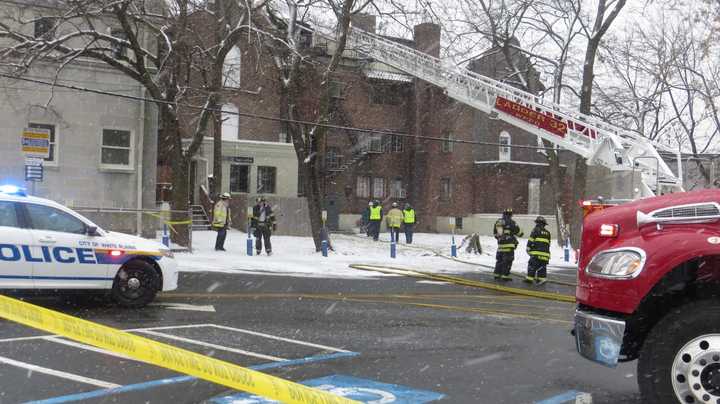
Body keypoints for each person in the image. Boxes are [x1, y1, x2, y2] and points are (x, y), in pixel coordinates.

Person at [493, 208, 523, 281]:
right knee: (508, 261)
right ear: (511, 215)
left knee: (499, 260)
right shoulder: (512, 222)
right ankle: (505, 276)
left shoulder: (498, 222)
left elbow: (495, 234)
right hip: (509, 245)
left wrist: (501, 238)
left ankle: (497, 274)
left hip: (500, 246)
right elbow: (519, 233)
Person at [525, 216, 551, 285]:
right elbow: (548, 244)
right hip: (545, 254)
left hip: (536, 254)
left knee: (532, 265)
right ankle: (541, 279)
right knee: (542, 267)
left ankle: (529, 279)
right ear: (544, 224)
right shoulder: (547, 233)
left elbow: (531, 240)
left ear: (537, 223)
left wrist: (528, 248)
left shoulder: (535, 230)